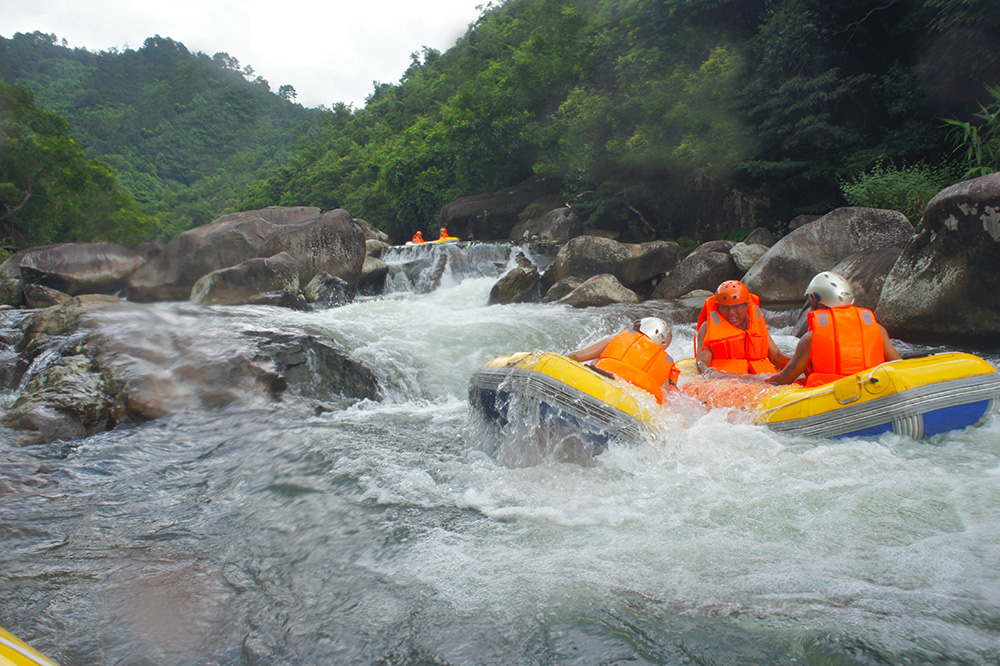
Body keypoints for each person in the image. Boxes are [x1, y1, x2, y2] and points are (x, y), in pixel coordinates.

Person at [767, 272, 901, 387]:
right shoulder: (878, 329)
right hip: (872, 390)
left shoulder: (811, 339)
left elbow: (785, 378)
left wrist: (760, 386)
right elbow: (898, 365)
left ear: (816, 300)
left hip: (830, 399)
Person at [568, 317, 679, 404]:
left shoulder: (614, 340)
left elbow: (577, 356)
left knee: (598, 359)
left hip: (601, 386)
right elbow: (666, 399)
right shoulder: (664, 367)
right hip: (634, 402)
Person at [695, 280, 789, 375]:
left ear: (746, 305)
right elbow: (702, 363)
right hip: (727, 381)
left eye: (736, 306)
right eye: (725, 307)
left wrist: (800, 362)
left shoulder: (755, 324)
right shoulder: (707, 327)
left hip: (760, 379)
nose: (731, 312)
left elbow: (776, 357)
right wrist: (711, 374)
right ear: (718, 306)